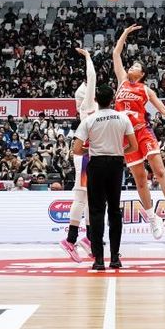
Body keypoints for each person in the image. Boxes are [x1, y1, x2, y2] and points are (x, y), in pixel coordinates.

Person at [113, 25, 165, 239]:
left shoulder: (146, 89)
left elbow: (162, 109)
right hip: (126, 138)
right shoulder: (121, 82)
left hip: (142, 131)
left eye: (136, 66)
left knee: (159, 170)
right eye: (131, 65)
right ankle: (152, 218)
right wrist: (125, 34)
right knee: (139, 180)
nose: (131, 67)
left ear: (142, 74)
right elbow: (116, 53)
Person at [73, 84, 139, 271]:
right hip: (116, 164)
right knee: (115, 211)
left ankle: (99, 259)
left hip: (97, 164)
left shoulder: (89, 119)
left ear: (95, 100)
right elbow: (133, 147)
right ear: (113, 100)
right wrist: (119, 151)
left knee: (96, 212)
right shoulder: (123, 117)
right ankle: (115, 258)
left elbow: (77, 149)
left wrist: (90, 149)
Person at [60, 47, 97, 263]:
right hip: (84, 156)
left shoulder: (85, 105)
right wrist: (88, 57)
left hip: (89, 154)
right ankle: (70, 240)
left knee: (90, 200)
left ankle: (89, 239)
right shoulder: (88, 102)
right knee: (81, 198)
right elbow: (91, 76)